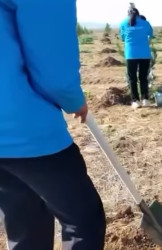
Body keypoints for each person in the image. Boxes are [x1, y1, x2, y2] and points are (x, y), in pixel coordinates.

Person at [0, 0, 106, 249]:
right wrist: (73, 100)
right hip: (23, 128)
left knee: (25, 223)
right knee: (82, 220)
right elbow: (51, 59)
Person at [120, 7, 154, 108]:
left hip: (131, 54)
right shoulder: (145, 23)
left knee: (132, 78)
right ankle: (145, 100)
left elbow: (122, 37)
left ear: (128, 14)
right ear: (139, 14)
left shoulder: (123, 23)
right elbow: (150, 34)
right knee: (143, 78)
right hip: (144, 54)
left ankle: (135, 101)